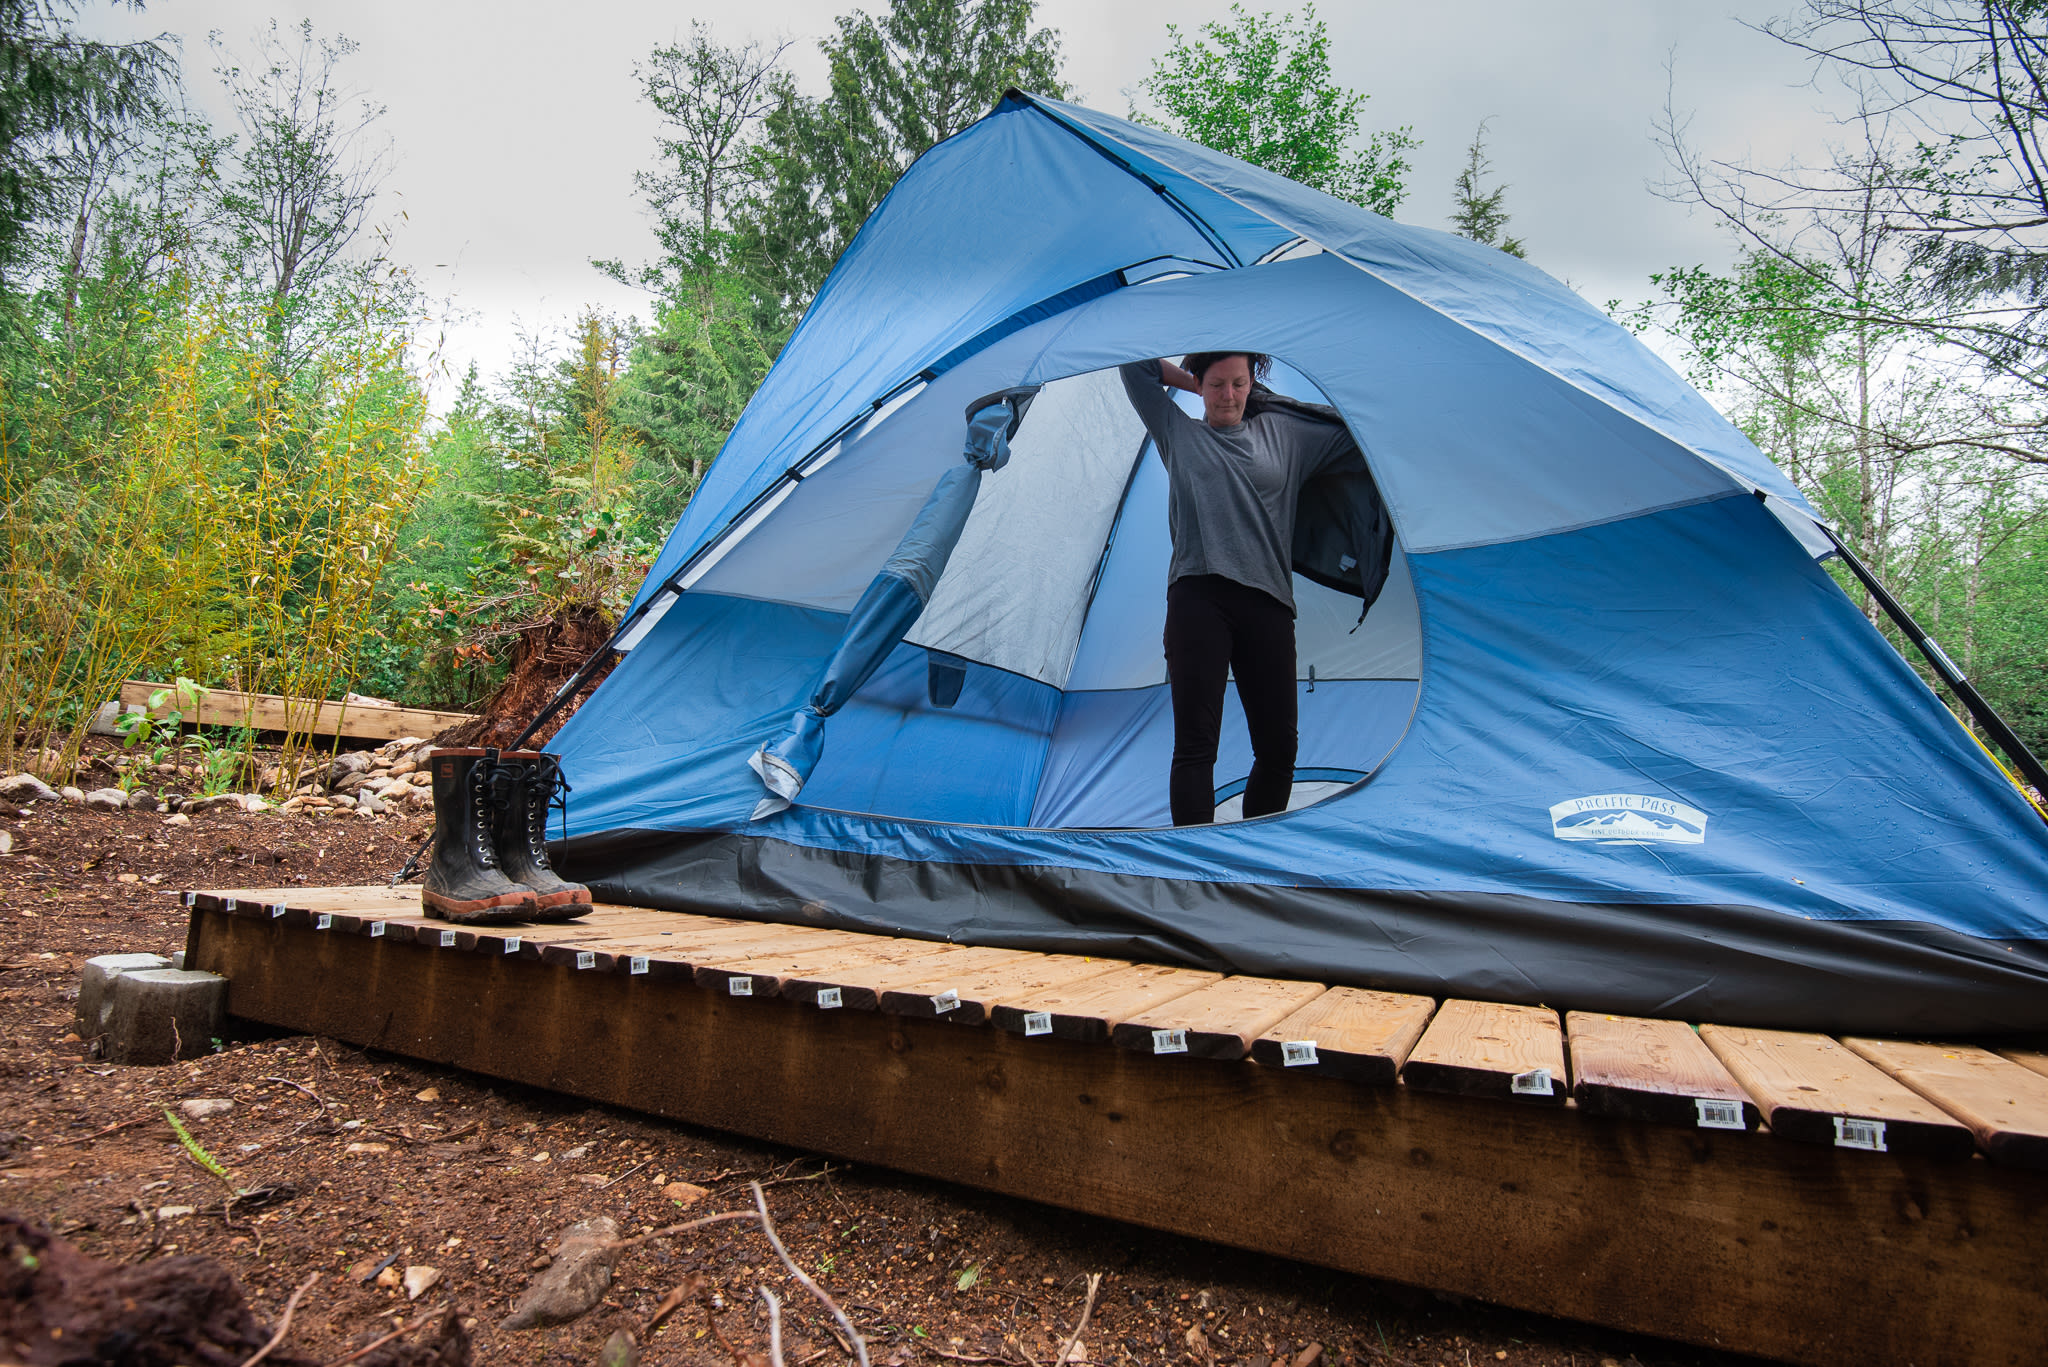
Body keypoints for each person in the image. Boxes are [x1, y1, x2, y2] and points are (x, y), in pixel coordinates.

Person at [1120, 352, 1362, 826]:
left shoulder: (1286, 435)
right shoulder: (1178, 432)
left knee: (1279, 748)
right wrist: (1194, 381)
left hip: (1267, 603)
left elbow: (1359, 436)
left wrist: (1253, 395)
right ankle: (1195, 862)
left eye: (1238, 383)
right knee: (1196, 745)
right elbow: (1133, 366)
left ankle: (1250, 851)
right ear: (1199, 385)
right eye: (1216, 386)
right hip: (1197, 599)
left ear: (1253, 383)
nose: (1228, 396)